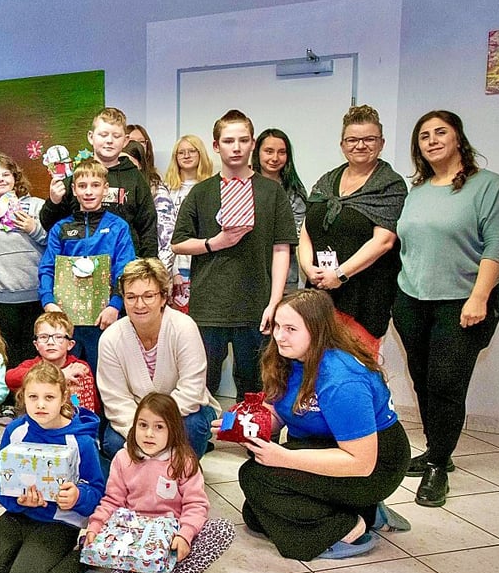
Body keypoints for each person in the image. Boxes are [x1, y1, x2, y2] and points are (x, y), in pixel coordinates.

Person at [232, 290, 411, 561]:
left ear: (316, 330)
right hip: (328, 445)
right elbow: (280, 412)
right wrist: (245, 425)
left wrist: (285, 458)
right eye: (278, 326)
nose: (279, 336)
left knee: (255, 478)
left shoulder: (342, 380)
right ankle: (368, 511)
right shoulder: (289, 358)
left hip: (375, 466)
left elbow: (360, 462)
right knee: (254, 514)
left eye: (291, 328)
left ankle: (349, 526)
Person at [393, 110, 499, 507]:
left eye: (440, 132)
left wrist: (478, 297)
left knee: (446, 384)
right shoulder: (420, 190)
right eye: (424, 135)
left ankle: (438, 467)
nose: (431, 140)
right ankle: (435, 449)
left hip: (461, 301)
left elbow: (495, 245)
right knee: (423, 380)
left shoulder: (488, 186)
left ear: (458, 138)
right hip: (413, 298)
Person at [171, 110, 297, 401]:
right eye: (229, 141)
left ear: (253, 143)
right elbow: (178, 243)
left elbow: (282, 249)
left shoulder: (271, 192)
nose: (236, 147)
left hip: (256, 305)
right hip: (209, 305)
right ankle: (199, 437)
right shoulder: (202, 193)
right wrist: (216, 242)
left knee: (255, 384)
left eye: (243, 140)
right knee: (202, 382)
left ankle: (255, 442)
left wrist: (275, 302)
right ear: (216, 146)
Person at [0, 363, 105, 573]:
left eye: (49, 397)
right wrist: (17, 501)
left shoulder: (80, 441)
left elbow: (96, 491)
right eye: (33, 397)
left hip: (60, 521)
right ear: (23, 398)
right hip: (19, 515)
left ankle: (82, 557)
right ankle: (26, 554)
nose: (40, 404)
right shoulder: (15, 431)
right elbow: (1, 484)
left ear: (63, 397)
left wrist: (77, 496)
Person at [86, 392, 235, 573]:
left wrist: (185, 535)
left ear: (172, 430)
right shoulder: (123, 458)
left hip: (173, 538)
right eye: (143, 425)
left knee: (223, 530)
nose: (149, 434)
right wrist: (95, 526)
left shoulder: (184, 460)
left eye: (159, 427)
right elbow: (112, 501)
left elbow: (196, 504)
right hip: (135, 541)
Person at [298, 107, 407, 355]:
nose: (360, 145)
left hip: (363, 299)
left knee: (355, 369)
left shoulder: (389, 185)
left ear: (381, 143)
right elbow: (307, 228)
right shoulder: (327, 180)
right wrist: (307, 266)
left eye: (369, 139)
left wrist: (340, 274)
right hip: (320, 293)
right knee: (314, 367)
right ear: (342, 144)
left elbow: (384, 242)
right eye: (353, 140)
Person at [97, 259, 220, 460]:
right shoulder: (110, 339)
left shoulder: (183, 327)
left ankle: (182, 477)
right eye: (131, 297)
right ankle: (142, 483)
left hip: (183, 411)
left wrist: (157, 426)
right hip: (136, 416)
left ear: (163, 297)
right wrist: (143, 430)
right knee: (113, 442)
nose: (139, 304)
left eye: (148, 296)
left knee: (193, 427)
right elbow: (116, 399)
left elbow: (192, 390)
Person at [38, 158, 137, 376]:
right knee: (64, 377)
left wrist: (115, 305)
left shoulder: (118, 227)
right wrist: (49, 303)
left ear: (105, 188)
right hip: (65, 322)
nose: (89, 192)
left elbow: (126, 270)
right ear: (73, 190)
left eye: (95, 185)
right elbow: (47, 268)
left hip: (106, 320)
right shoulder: (60, 228)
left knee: (105, 377)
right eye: (82, 186)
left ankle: (102, 412)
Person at [40, 107, 158, 258]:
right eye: (103, 135)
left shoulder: (135, 178)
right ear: (91, 137)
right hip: (79, 266)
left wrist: (148, 266)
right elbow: (48, 224)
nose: (109, 140)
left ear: (126, 141)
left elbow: (148, 226)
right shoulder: (78, 177)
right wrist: (53, 202)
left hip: (126, 267)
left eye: (116, 136)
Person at [0, 153, 47, 366]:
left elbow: (54, 241)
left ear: (15, 177)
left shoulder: (37, 206)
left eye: (5, 174)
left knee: (33, 357)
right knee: (5, 357)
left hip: (34, 296)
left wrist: (33, 229)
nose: (0, 179)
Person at [158, 135, 214, 310]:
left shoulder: (211, 188)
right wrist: (172, 271)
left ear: (201, 154)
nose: (186, 156)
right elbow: (165, 235)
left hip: (203, 265)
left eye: (192, 151)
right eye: (181, 152)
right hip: (175, 266)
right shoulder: (166, 189)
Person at [5, 311, 99, 414]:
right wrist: (60, 375)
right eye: (44, 337)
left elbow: (90, 406)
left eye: (58, 337)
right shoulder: (31, 365)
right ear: (36, 345)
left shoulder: (79, 368)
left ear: (70, 345)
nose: (50, 342)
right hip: (36, 420)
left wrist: (74, 398)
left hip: (72, 421)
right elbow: (9, 378)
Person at [253, 129, 309, 293]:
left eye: (281, 152)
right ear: (258, 153)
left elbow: (295, 234)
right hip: (249, 274)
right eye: (269, 151)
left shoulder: (295, 191)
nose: (275, 158)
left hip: (286, 276)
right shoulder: (244, 186)